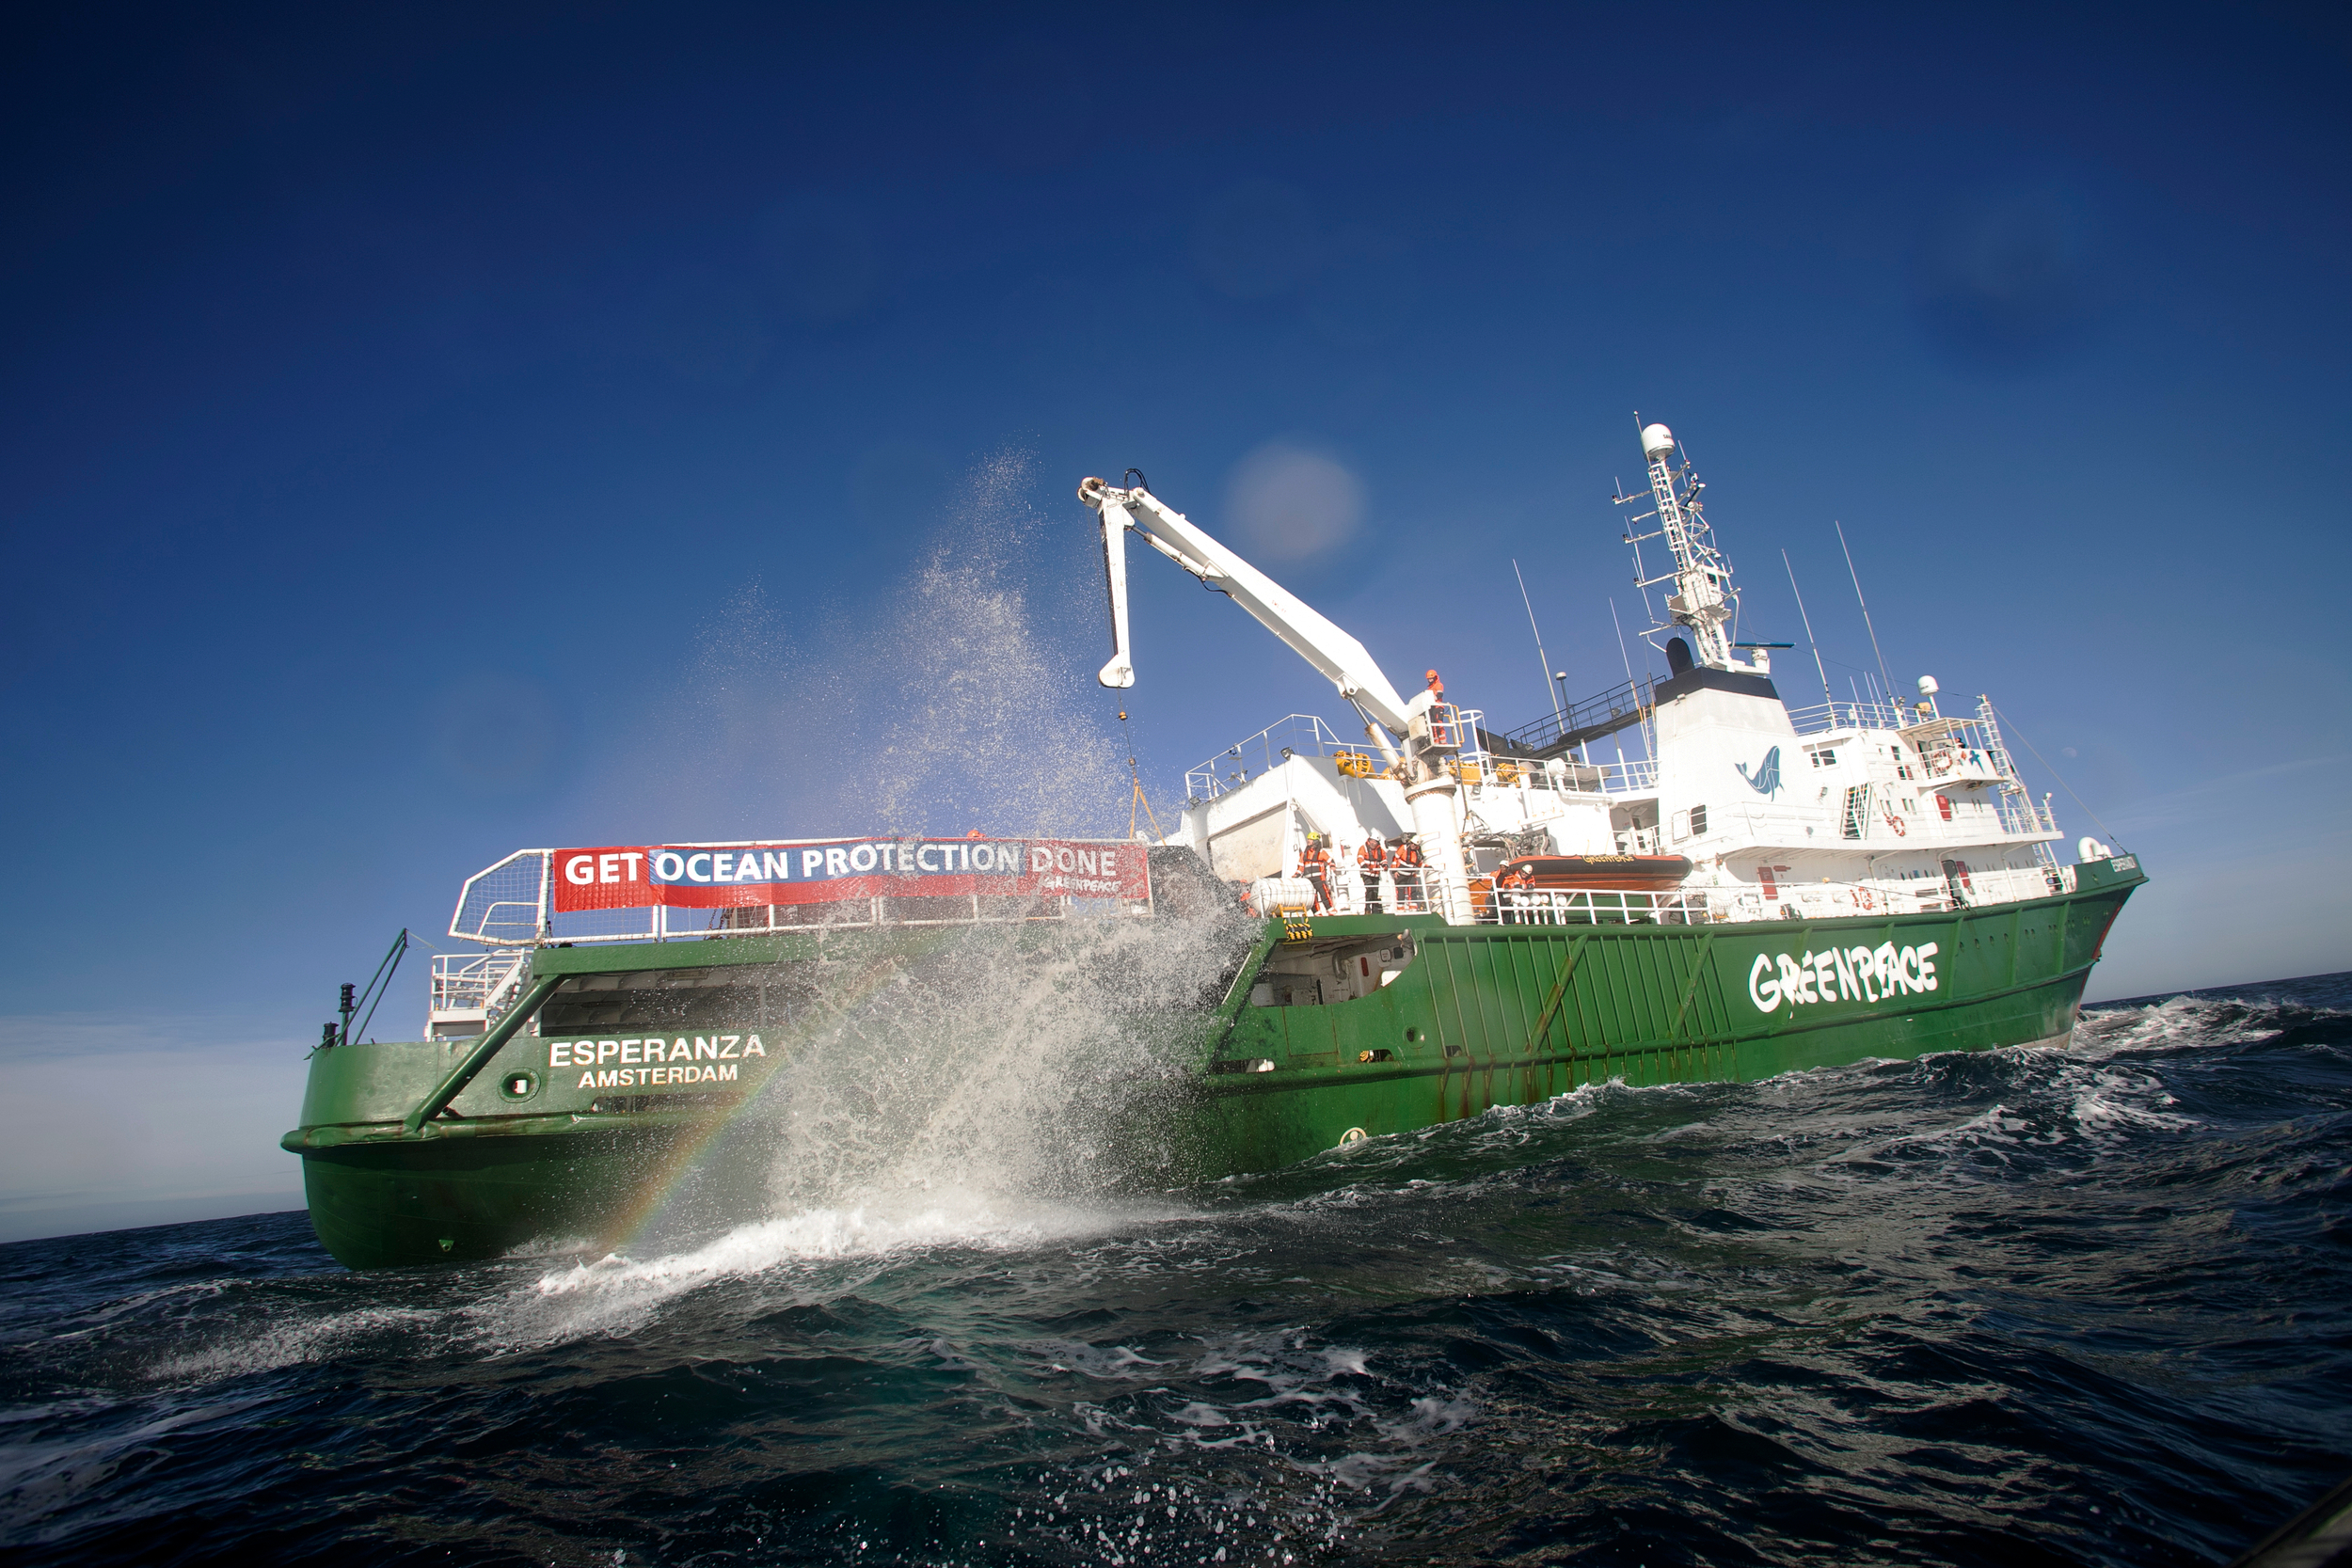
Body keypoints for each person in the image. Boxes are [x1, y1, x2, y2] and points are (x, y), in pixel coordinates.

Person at [1297, 832, 1333, 913]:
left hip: (1319, 879)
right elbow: (1300, 865)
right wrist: (1297, 874)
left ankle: (1330, 910)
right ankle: (1317, 912)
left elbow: (1330, 861)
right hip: (1308, 880)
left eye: (1310, 839)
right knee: (1312, 896)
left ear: (1315, 841)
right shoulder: (1304, 854)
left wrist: (1332, 866)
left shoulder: (1321, 852)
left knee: (1324, 894)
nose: (1308, 841)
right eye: (1308, 839)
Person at [1388, 834, 1424, 911]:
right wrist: (1394, 871)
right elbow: (1395, 858)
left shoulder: (1418, 852)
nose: (1413, 846)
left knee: (1413, 891)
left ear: (1418, 845)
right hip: (1400, 874)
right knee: (1400, 891)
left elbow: (1419, 863)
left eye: (1415, 844)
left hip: (1411, 875)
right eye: (1412, 843)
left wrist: (1426, 866)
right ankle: (1400, 908)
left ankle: (1413, 908)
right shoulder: (1404, 848)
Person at [1356, 834, 1388, 913]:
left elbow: (1383, 859)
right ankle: (1367, 909)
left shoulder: (1380, 850)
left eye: (1375, 842)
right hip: (1366, 873)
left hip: (1376, 874)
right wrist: (1363, 865)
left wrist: (1385, 865)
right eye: (1372, 841)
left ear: (1378, 843)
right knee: (1369, 889)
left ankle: (1375, 910)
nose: (1373, 843)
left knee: (1375, 892)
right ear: (1369, 841)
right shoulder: (1363, 848)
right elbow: (1360, 857)